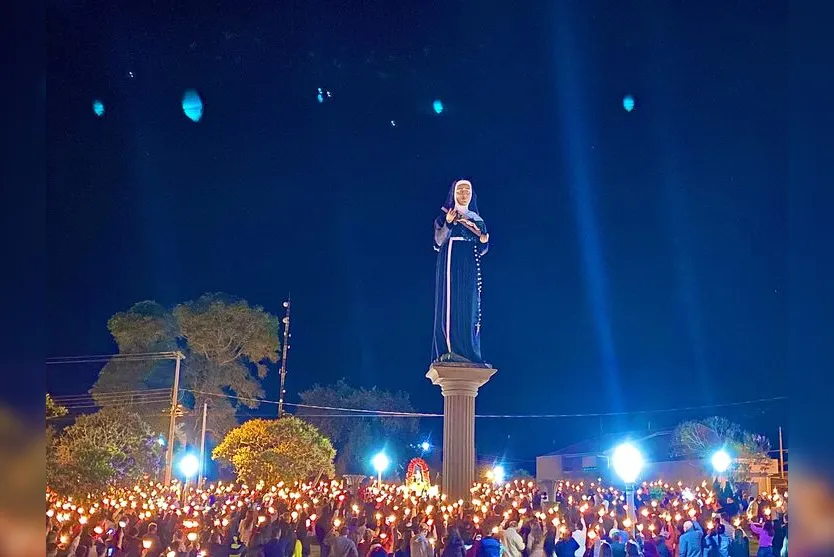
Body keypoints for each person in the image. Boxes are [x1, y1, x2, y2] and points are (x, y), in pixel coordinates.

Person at [432, 179, 490, 364]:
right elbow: (439, 241)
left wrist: (483, 241)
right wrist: (448, 224)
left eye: (467, 190)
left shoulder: (477, 219)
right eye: (460, 190)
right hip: (451, 260)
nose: (464, 194)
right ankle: (450, 348)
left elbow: (483, 247)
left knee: (469, 303)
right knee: (451, 303)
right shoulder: (445, 216)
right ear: (453, 194)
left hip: (470, 264)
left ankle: (468, 349)